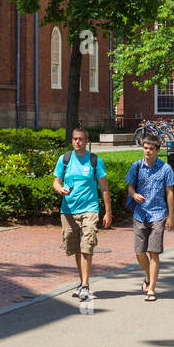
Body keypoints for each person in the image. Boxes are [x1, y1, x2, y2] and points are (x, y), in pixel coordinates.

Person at [52, 127, 112, 302]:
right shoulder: (64, 160)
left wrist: (108, 212)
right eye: (74, 139)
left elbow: (104, 188)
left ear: (87, 142)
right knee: (75, 248)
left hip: (89, 209)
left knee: (87, 245)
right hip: (68, 210)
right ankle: (81, 283)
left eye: (80, 139)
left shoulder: (95, 161)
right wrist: (60, 189)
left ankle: (85, 285)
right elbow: (56, 181)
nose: (77, 142)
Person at [125, 135, 174, 302]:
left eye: (151, 149)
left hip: (158, 214)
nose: (147, 151)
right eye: (145, 148)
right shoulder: (136, 166)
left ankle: (151, 289)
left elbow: (169, 192)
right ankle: (149, 275)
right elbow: (130, 187)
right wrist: (134, 194)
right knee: (139, 252)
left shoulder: (165, 169)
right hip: (140, 214)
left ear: (157, 150)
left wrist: (171, 216)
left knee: (153, 252)